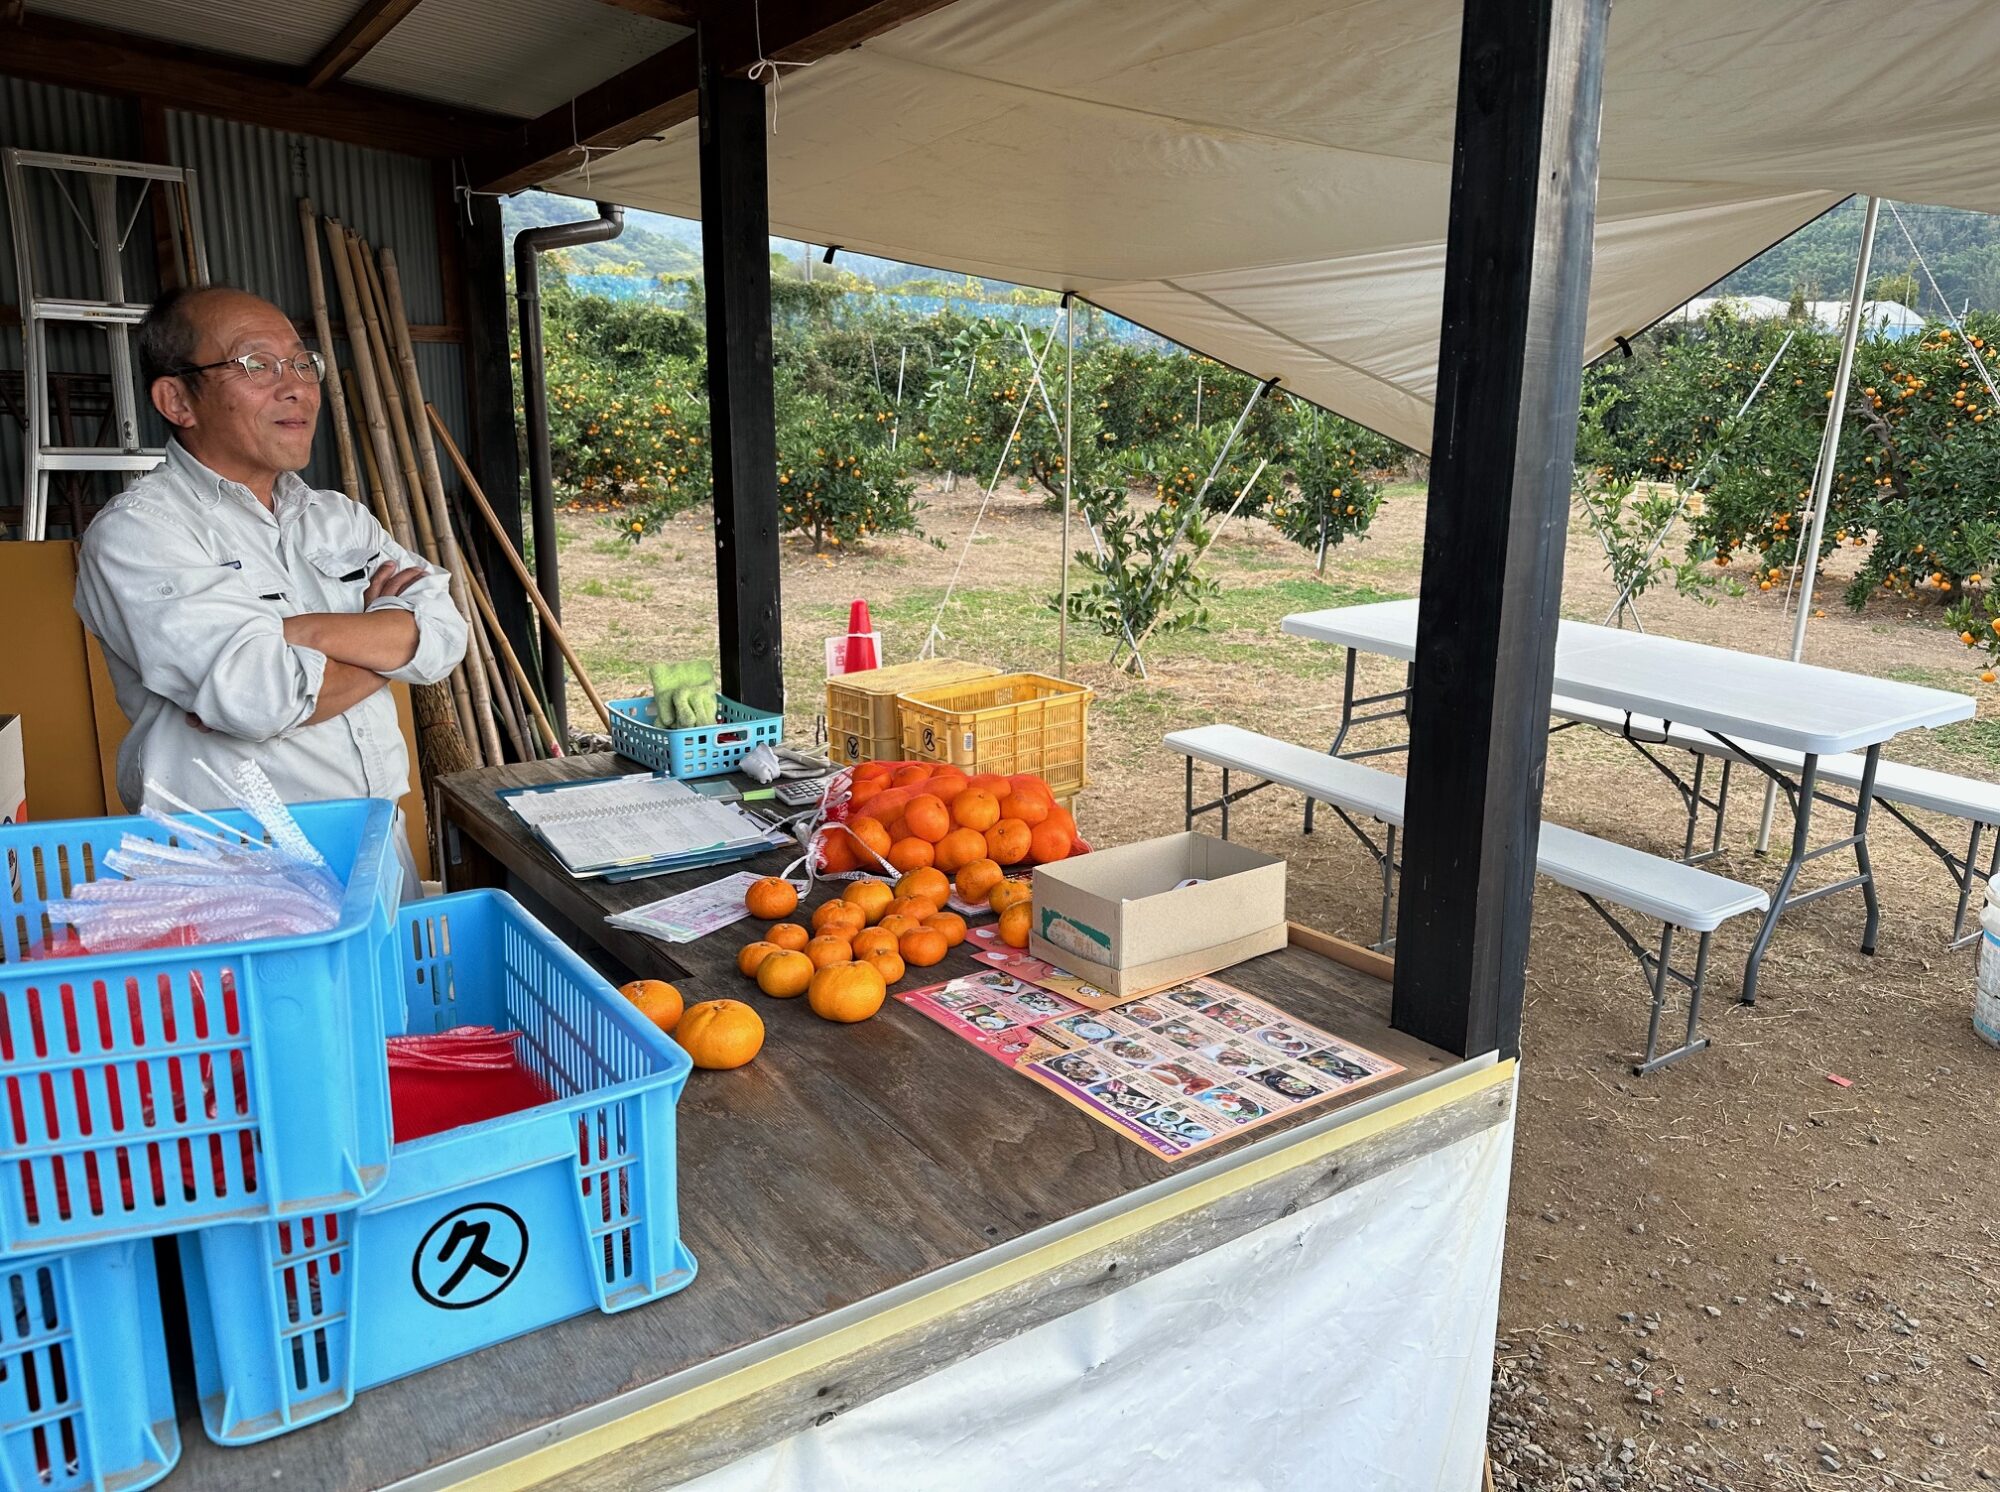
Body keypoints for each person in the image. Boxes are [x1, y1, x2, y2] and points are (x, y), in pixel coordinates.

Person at [74, 285, 467, 838]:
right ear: (177, 401)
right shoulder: (140, 532)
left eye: (304, 364)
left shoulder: (337, 517)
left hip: (375, 834)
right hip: (239, 855)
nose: (297, 388)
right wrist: (388, 643)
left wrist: (300, 631)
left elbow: (445, 635)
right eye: (257, 365)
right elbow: (261, 698)